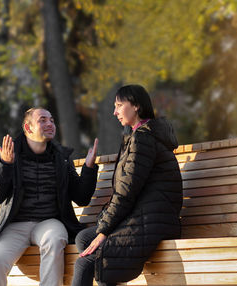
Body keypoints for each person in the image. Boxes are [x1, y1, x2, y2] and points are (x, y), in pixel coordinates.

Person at [71, 85, 183, 286]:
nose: (114, 112)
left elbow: (126, 192)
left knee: (86, 263)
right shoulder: (136, 136)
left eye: (119, 105)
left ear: (137, 106)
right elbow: (127, 189)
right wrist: (104, 225)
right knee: (84, 239)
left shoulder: (143, 139)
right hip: (145, 214)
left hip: (153, 219)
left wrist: (105, 230)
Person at [0, 107, 99, 286]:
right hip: (15, 225)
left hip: (49, 222)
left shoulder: (61, 158)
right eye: (43, 120)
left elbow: (81, 197)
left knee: (55, 240)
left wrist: (89, 169)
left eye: (52, 120)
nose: (50, 124)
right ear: (28, 128)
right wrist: (5, 164)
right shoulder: (10, 153)